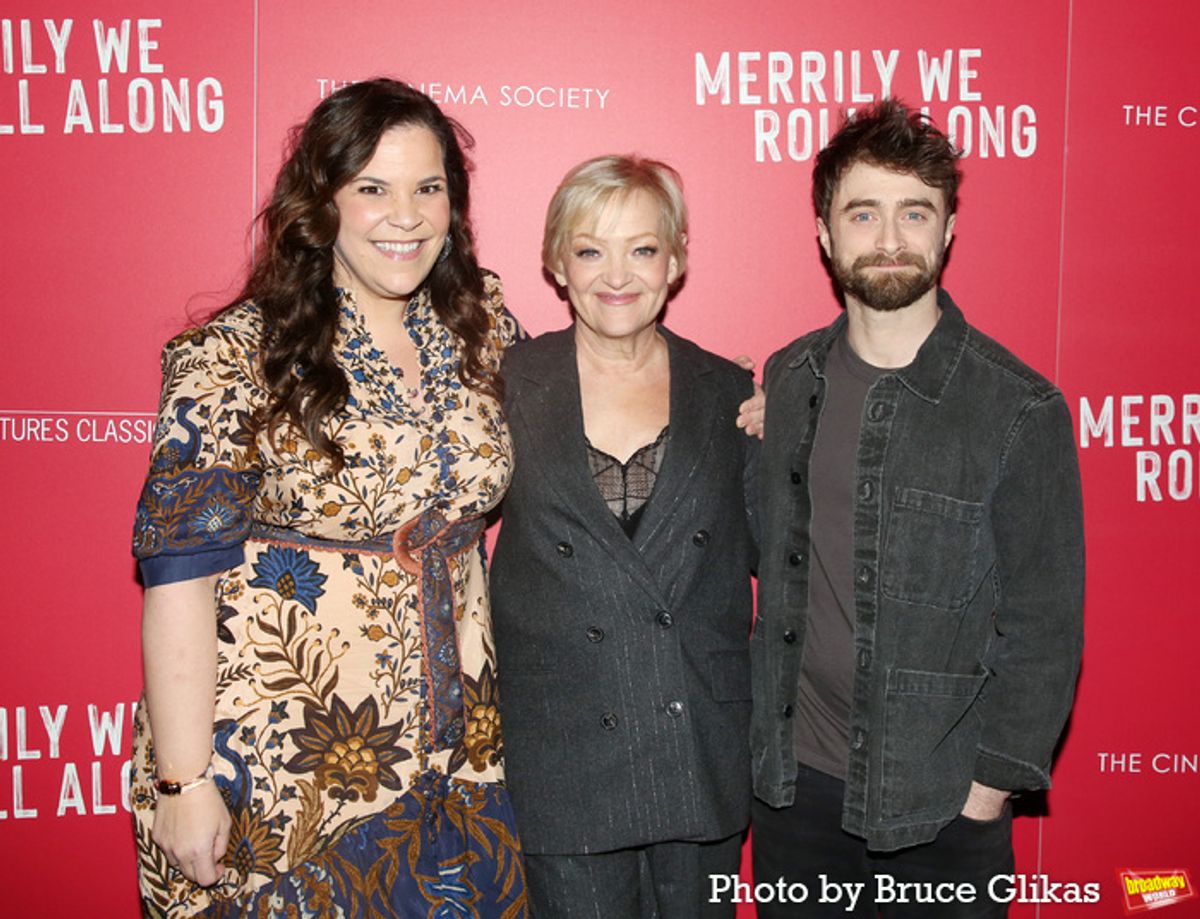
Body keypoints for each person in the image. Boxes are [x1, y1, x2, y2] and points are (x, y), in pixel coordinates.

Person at [129, 79, 527, 917]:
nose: (406, 216)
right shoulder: (233, 354)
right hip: (284, 760)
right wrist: (183, 778)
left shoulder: (482, 321)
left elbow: (587, 421)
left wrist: (739, 404)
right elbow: (177, 581)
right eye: (372, 189)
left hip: (462, 752)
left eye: (429, 188)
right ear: (323, 201)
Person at [749, 100, 1084, 917]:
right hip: (794, 798)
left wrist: (989, 788)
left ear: (948, 230)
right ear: (826, 233)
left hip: (941, 812)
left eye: (915, 213)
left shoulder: (1018, 410)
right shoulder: (788, 379)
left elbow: (1044, 624)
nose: (890, 238)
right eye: (863, 213)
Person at [489, 155, 759, 919]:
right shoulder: (503, 383)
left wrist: (800, 434)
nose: (617, 275)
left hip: (696, 742)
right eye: (589, 249)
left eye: (642, 248)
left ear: (674, 261)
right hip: (562, 750)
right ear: (555, 262)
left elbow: (786, 554)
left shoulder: (730, 392)